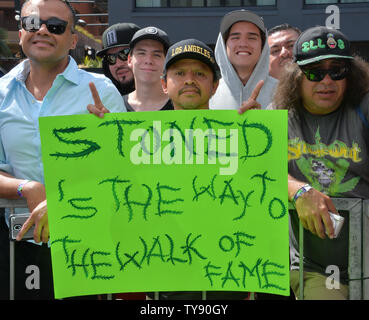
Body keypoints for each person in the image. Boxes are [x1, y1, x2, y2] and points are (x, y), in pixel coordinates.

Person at [0, 0, 126, 300]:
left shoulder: (102, 91)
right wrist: (26, 188)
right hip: (16, 246)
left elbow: (123, 171)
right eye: (32, 23)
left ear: (72, 39)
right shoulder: (1, 93)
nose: (42, 30)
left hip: (85, 244)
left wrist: (112, 139)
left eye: (54, 26)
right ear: (20, 33)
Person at [272, 26, 369, 299]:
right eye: (315, 72)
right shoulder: (278, 117)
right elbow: (258, 173)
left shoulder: (363, 109)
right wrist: (299, 190)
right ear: (296, 77)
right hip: (314, 267)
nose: (327, 81)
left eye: (337, 71)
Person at [209, 9, 278, 111]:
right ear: (224, 45)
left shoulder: (283, 93)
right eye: (235, 38)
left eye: (252, 38)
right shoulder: (208, 93)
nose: (243, 44)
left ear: (263, 47)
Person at [124, 26, 173, 112]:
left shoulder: (180, 107)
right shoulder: (116, 106)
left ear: (166, 62)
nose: (148, 60)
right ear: (129, 60)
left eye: (156, 55)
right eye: (142, 53)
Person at [96, 22, 140, 95]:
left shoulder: (164, 95)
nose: (118, 64)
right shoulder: (105, 99)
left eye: (124, 53)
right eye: (111, 58)